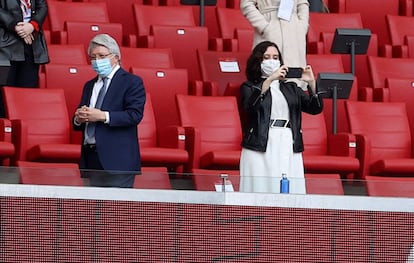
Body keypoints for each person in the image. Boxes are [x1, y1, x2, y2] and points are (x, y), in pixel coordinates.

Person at [239, 41, 323, 194]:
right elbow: (251, 107)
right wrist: (269, 80)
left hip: (288, 139)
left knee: (289, 185)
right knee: (262, 186)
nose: (272, 61)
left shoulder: (291, 87)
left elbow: (314, 108)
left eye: (276, 57)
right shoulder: (249, 86)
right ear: (258, 61)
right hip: (262, 141)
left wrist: (312, 83)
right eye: (267, 57)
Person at [73, 34, 146, 188]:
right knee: (94, 209)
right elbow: (79, 120)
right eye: (93, 57)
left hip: (118, 159)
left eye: (102, 56)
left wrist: (102, 116)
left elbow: (134, 115)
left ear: (116, 57)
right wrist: (78, 118)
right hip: (91, 156)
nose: (97, 61)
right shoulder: (89, 85)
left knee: (116, 210)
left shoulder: (132, 82)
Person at [240, 0, 309, 88]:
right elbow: (247, 3)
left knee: (295, 83)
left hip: (294, 30)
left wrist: (302, 26)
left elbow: (302, 3)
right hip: (270, 24)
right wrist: (264, 27)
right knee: (267, 79)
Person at [0, 0, 49, 117]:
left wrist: (32, 25)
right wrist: (15, 25)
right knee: (4, 94)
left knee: (26, 91)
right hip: (5, 45)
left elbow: (42, 6)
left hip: (32, 44)